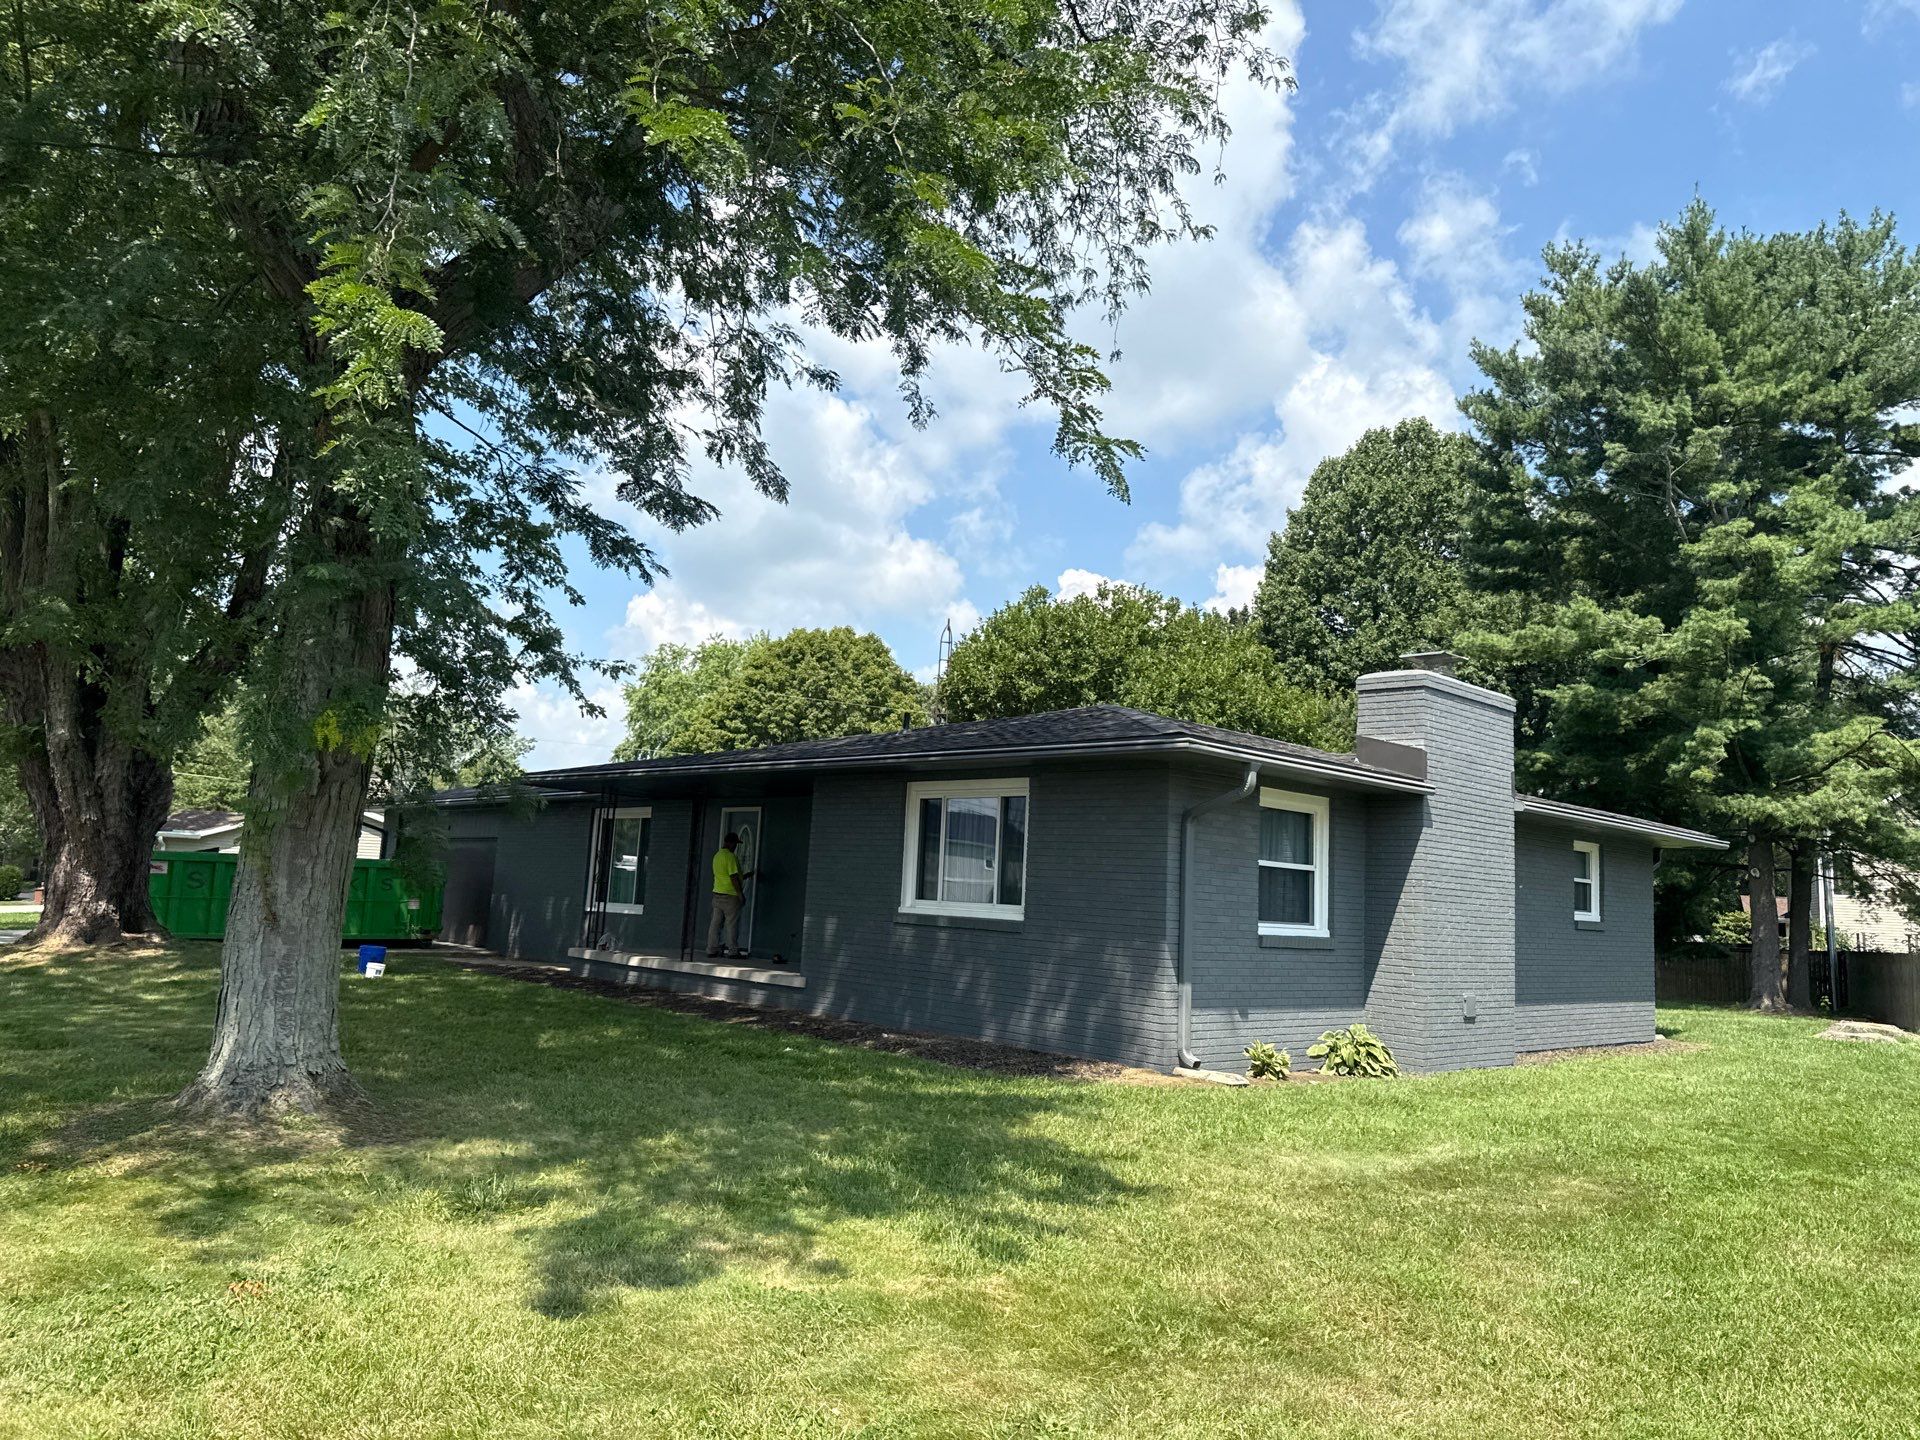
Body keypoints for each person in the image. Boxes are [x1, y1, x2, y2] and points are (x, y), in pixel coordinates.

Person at [707, 831, 754, 958]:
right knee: (731, 924)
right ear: (731, 843)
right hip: (730, 896)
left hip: (717, 895)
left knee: (715, 924)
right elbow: (733, 877)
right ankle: (733, 951)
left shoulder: (717, 856)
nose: (736, 846)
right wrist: (740, 894)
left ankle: (712, 949)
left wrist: (745, 876)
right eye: (735, 844)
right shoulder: (730, 857)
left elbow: (726, 875)